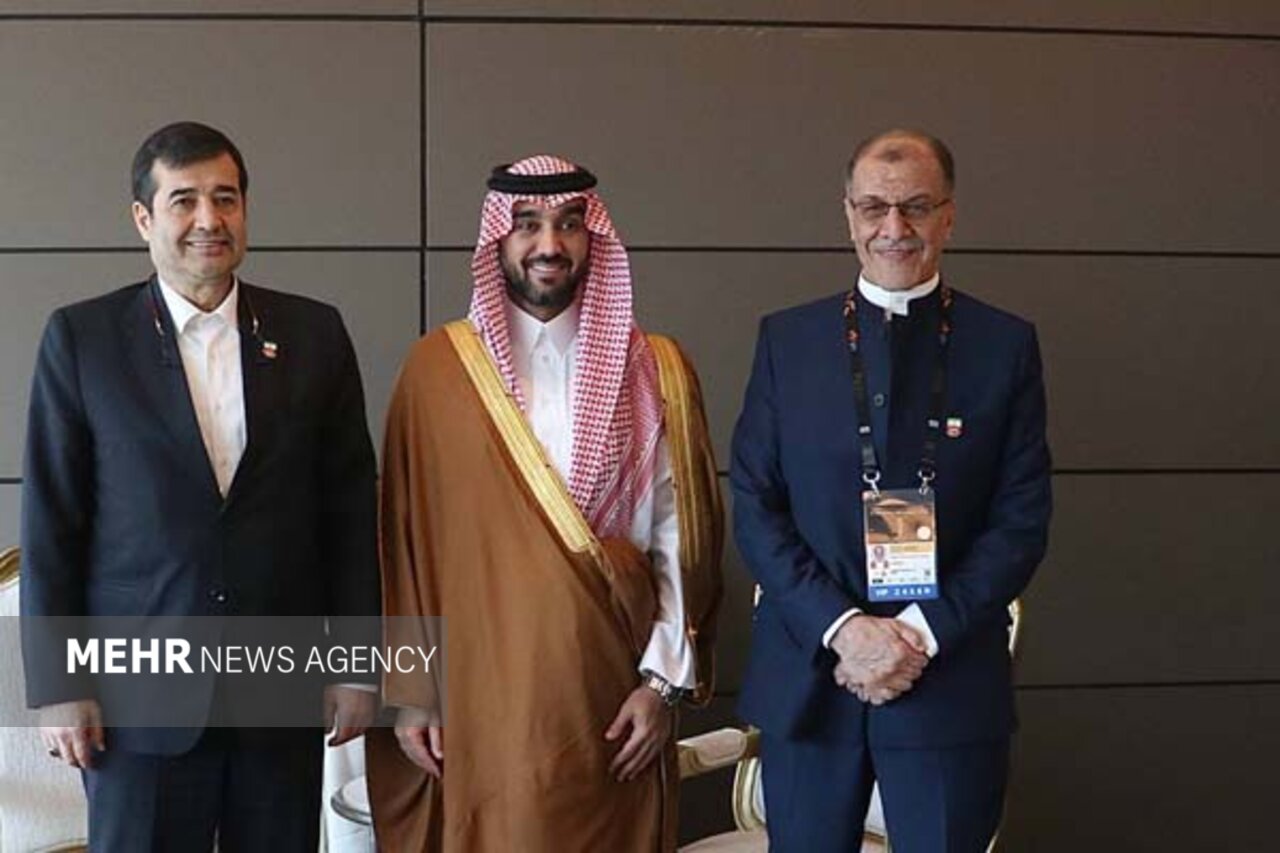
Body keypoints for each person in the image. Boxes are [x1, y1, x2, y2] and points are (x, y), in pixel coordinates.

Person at [20, 121, 380, 852]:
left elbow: (347, 513)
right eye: (183, 200)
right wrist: (59, 683)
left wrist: (355, 664)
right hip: (136, 704)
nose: (208, 219)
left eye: (226, 198)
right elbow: (52, 523)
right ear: (143, 218)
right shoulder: (82, 340)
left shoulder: (315, 334)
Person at [365, 155, 722, 852]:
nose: (548, 244)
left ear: (595, 238)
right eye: (526, 224)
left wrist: (662, 686)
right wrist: (411, 692)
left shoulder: (655, 368)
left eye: (568, 224)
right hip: (480, 696)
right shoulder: (436, 372)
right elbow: (401, 546)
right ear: (496, 238)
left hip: (613, 698)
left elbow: (679, 539)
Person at [731, 129, 1052, 852]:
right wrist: (845, 628)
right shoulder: (787, 341)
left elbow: (1021, 520)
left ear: (949, 216)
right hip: (811, 674)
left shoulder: (1004, 345)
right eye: (874, 207)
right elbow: (756, 505)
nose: (894, 227)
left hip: (949, 680)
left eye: (916, 207)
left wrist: (919, 634)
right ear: (848, 214)